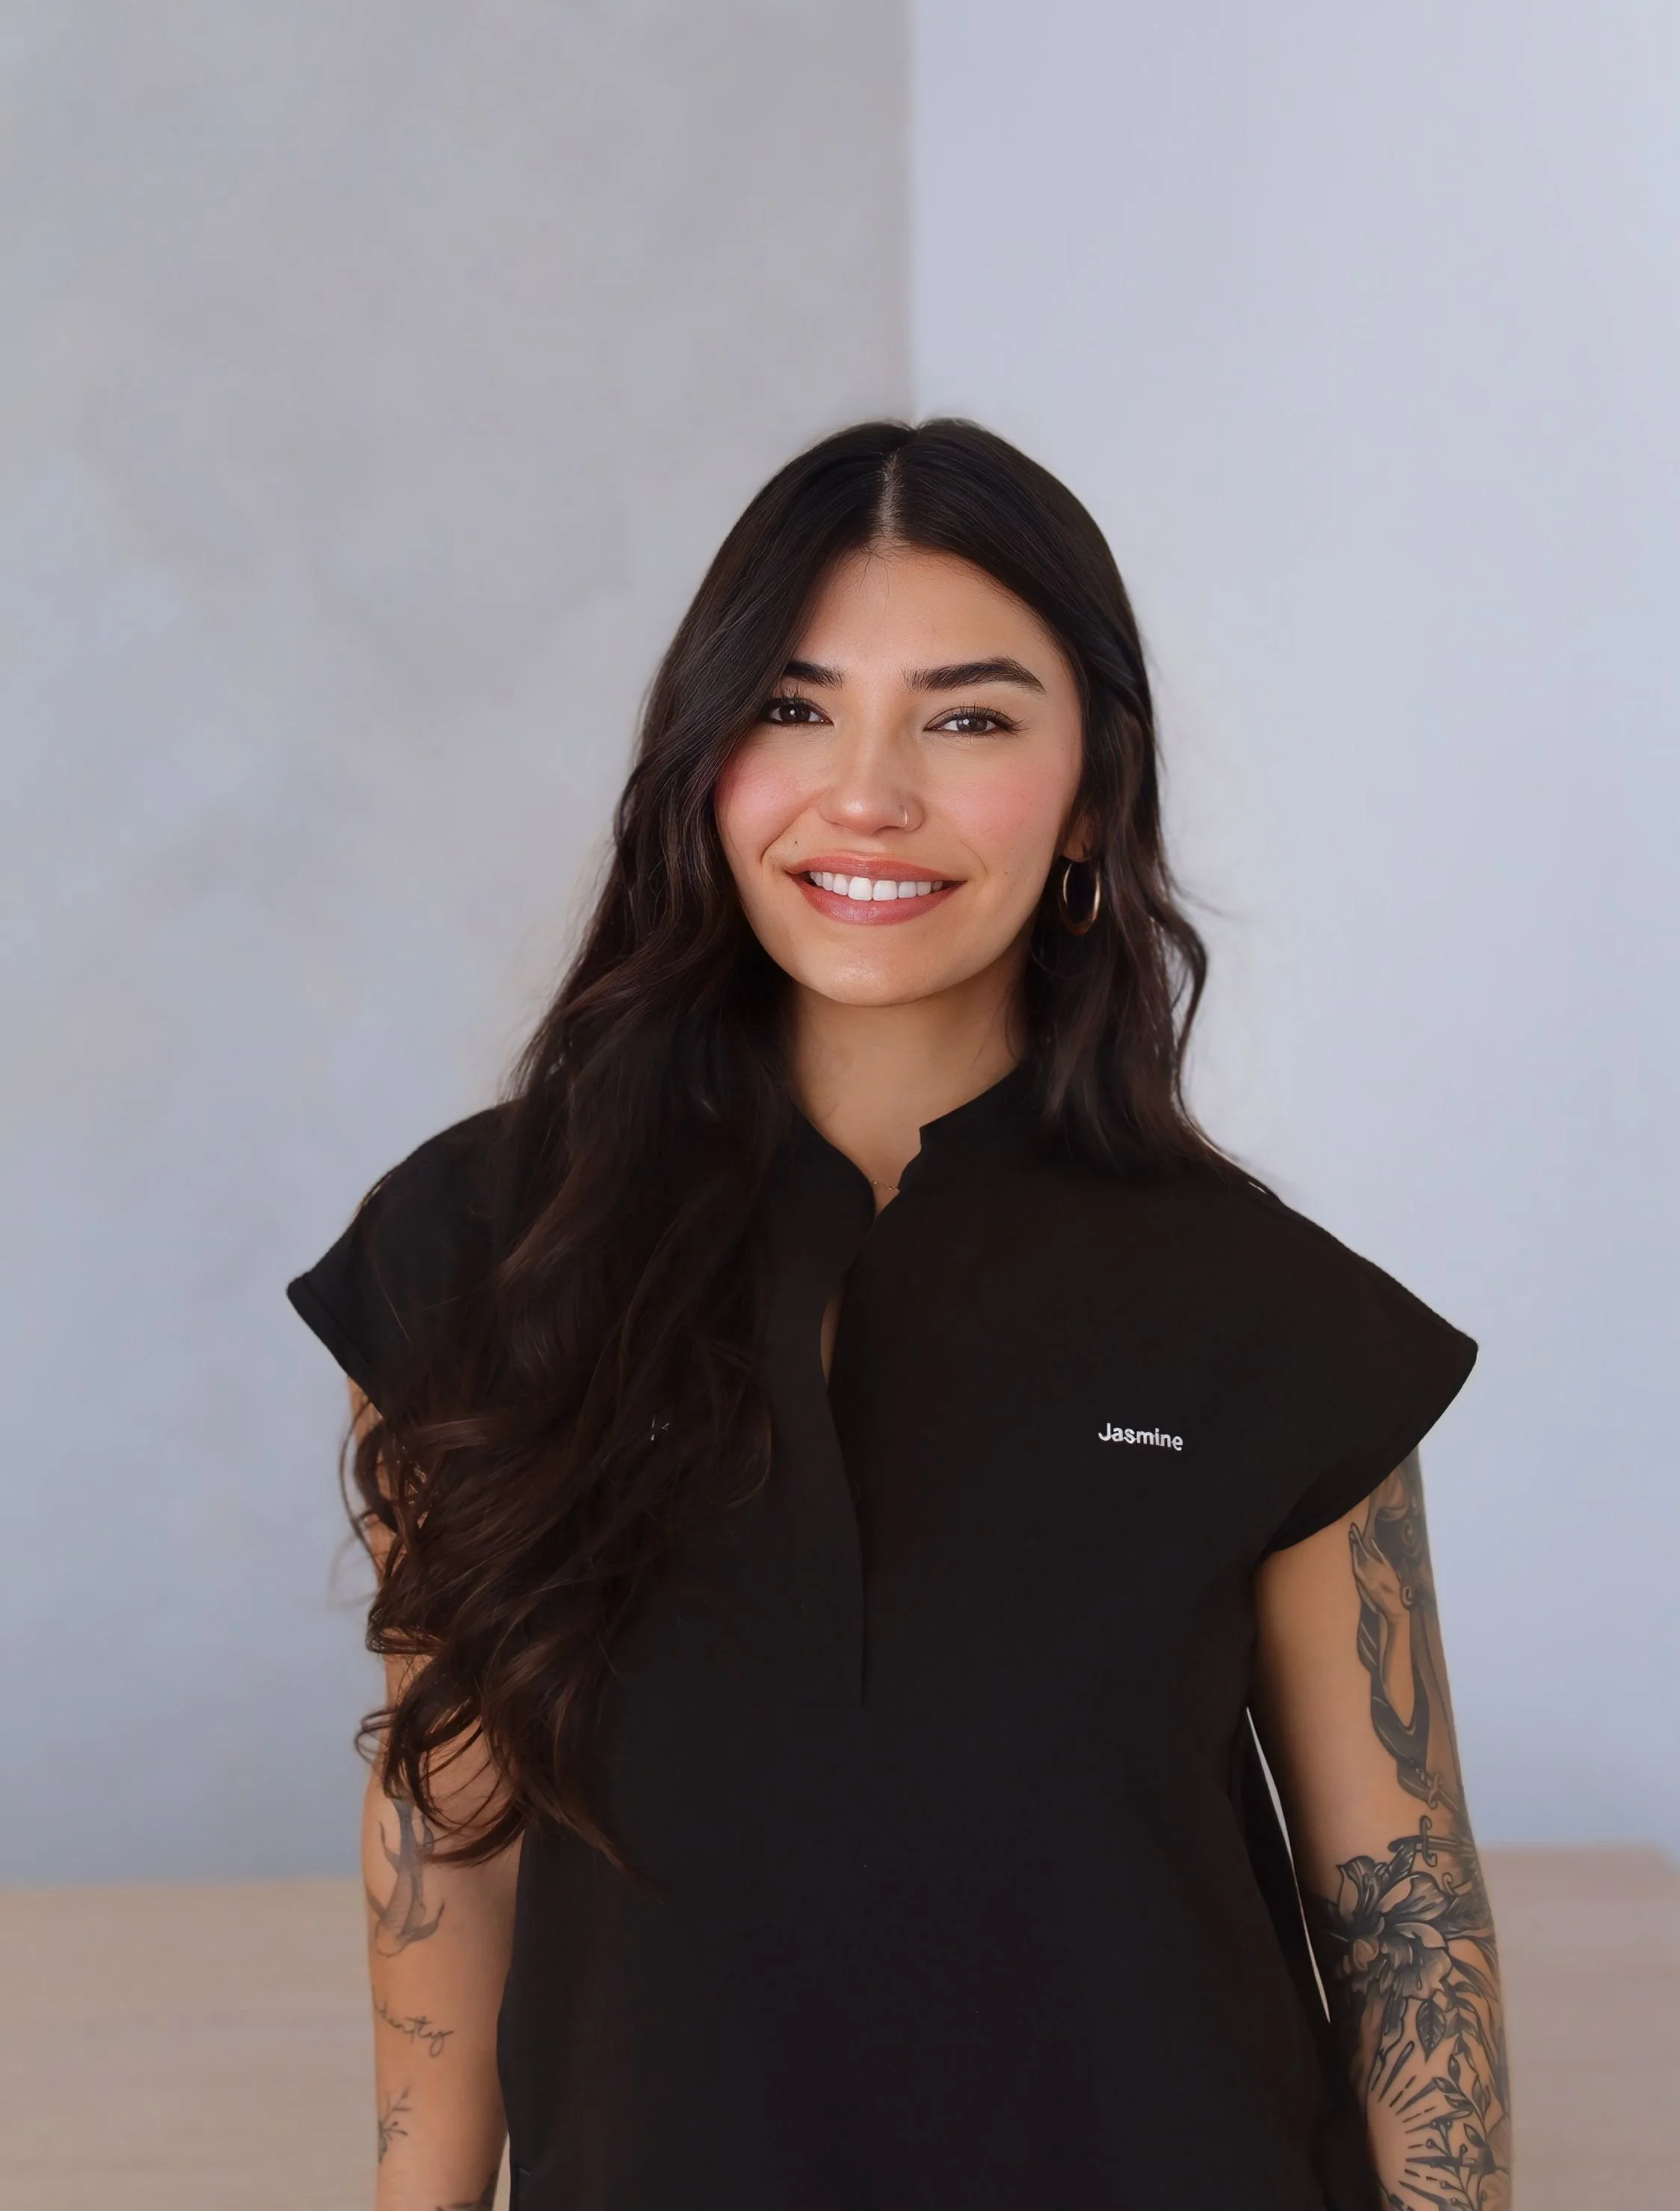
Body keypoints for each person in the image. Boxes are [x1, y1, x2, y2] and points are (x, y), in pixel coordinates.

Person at [288, 419, 1510, 2211]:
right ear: (700, 756)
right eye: (791, 708)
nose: (865, 793)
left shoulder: (1267, 1318)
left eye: (968, 717)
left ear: (1091, 785)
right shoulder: (479, 1256)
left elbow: (1406, 1925)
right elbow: (442, 1851)